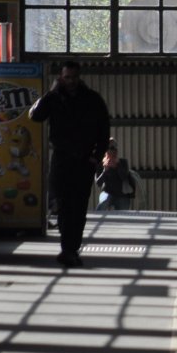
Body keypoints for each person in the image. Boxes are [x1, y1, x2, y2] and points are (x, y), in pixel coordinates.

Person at [29, 60, 110, 268]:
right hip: (62, 158)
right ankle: (68, 248)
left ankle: (70, 249)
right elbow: (35, 115)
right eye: (67, 78)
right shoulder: (54, 99)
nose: (71, 81)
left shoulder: (92, 100)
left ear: (79, 77)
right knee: (62, 204)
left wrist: (96, 156)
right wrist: (50, 93)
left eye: (74, 77)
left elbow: (104, 131)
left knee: (78, 207)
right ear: (61, 78)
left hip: (84, 160)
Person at [95, 138, 135, 210]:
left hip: (122, 195)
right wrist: (105, 170)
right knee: (103, 204)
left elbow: (124, 177)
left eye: (114, 148)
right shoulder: (101, 164)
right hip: (107, 192)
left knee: (123, 212)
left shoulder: (123, 162)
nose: (112, 151)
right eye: (109, 148)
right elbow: (98, 183)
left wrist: (118, 165)